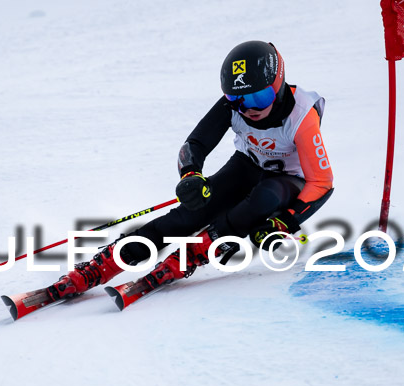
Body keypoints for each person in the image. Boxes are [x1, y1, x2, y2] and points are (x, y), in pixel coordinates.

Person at [48, 40, 334, 301]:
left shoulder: (301, 115)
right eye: (237, 100)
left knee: (261, 201)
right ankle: (107, 262)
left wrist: (284, 221)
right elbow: (195, 143)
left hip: (288, 180)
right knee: (188, 215)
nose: (248, 109)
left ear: (278, 83)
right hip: (246, 165)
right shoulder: (234, 105)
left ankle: (192, 255)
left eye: (258, 98)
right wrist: (191, 176)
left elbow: (321, 182)